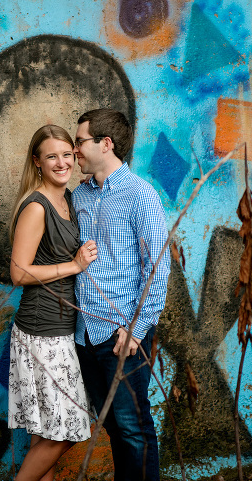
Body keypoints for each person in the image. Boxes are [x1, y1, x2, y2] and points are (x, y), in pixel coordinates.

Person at [70, 109, 170, 481]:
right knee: (115, 429)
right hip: (85, 333)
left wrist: (137, 328)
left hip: (121, 334)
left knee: (133, 429)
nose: (75, 149)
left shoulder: (140, 195)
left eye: (80, 141)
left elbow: (157, 267)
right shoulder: (79, 196)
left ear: (105, 144)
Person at [7, 124, 98, 481]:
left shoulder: (71, 199)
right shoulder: (36, 207)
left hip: (63, 328)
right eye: (51, 156)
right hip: (42, 332)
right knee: (70, 429)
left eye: (66, 154)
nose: (61, 163)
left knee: (45, 436)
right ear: (37, 162)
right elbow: (18, 273)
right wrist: (73, 266)